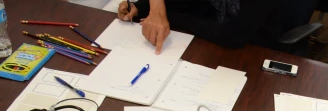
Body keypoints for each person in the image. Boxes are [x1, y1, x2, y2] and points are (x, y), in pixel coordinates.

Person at [117, 0, 300, 52]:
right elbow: (191, 3)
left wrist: (166, 16)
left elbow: (234, 36)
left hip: (256, 49)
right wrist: (142, 8)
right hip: (213, 43)